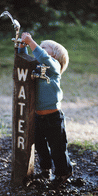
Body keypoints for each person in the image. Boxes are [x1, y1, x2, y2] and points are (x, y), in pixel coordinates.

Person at [18, 32, 73, 188]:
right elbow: (23, 60)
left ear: (55, 55)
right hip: (37, 116)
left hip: (53, 117)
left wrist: (31, 42)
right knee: (40, 147)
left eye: (43, 47)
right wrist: (22, 46)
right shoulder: (38, 65)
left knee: (58, 147)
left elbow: (45, 58)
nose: (39, 49)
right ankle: (46, 170)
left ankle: (63, 172)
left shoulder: (54, 66)